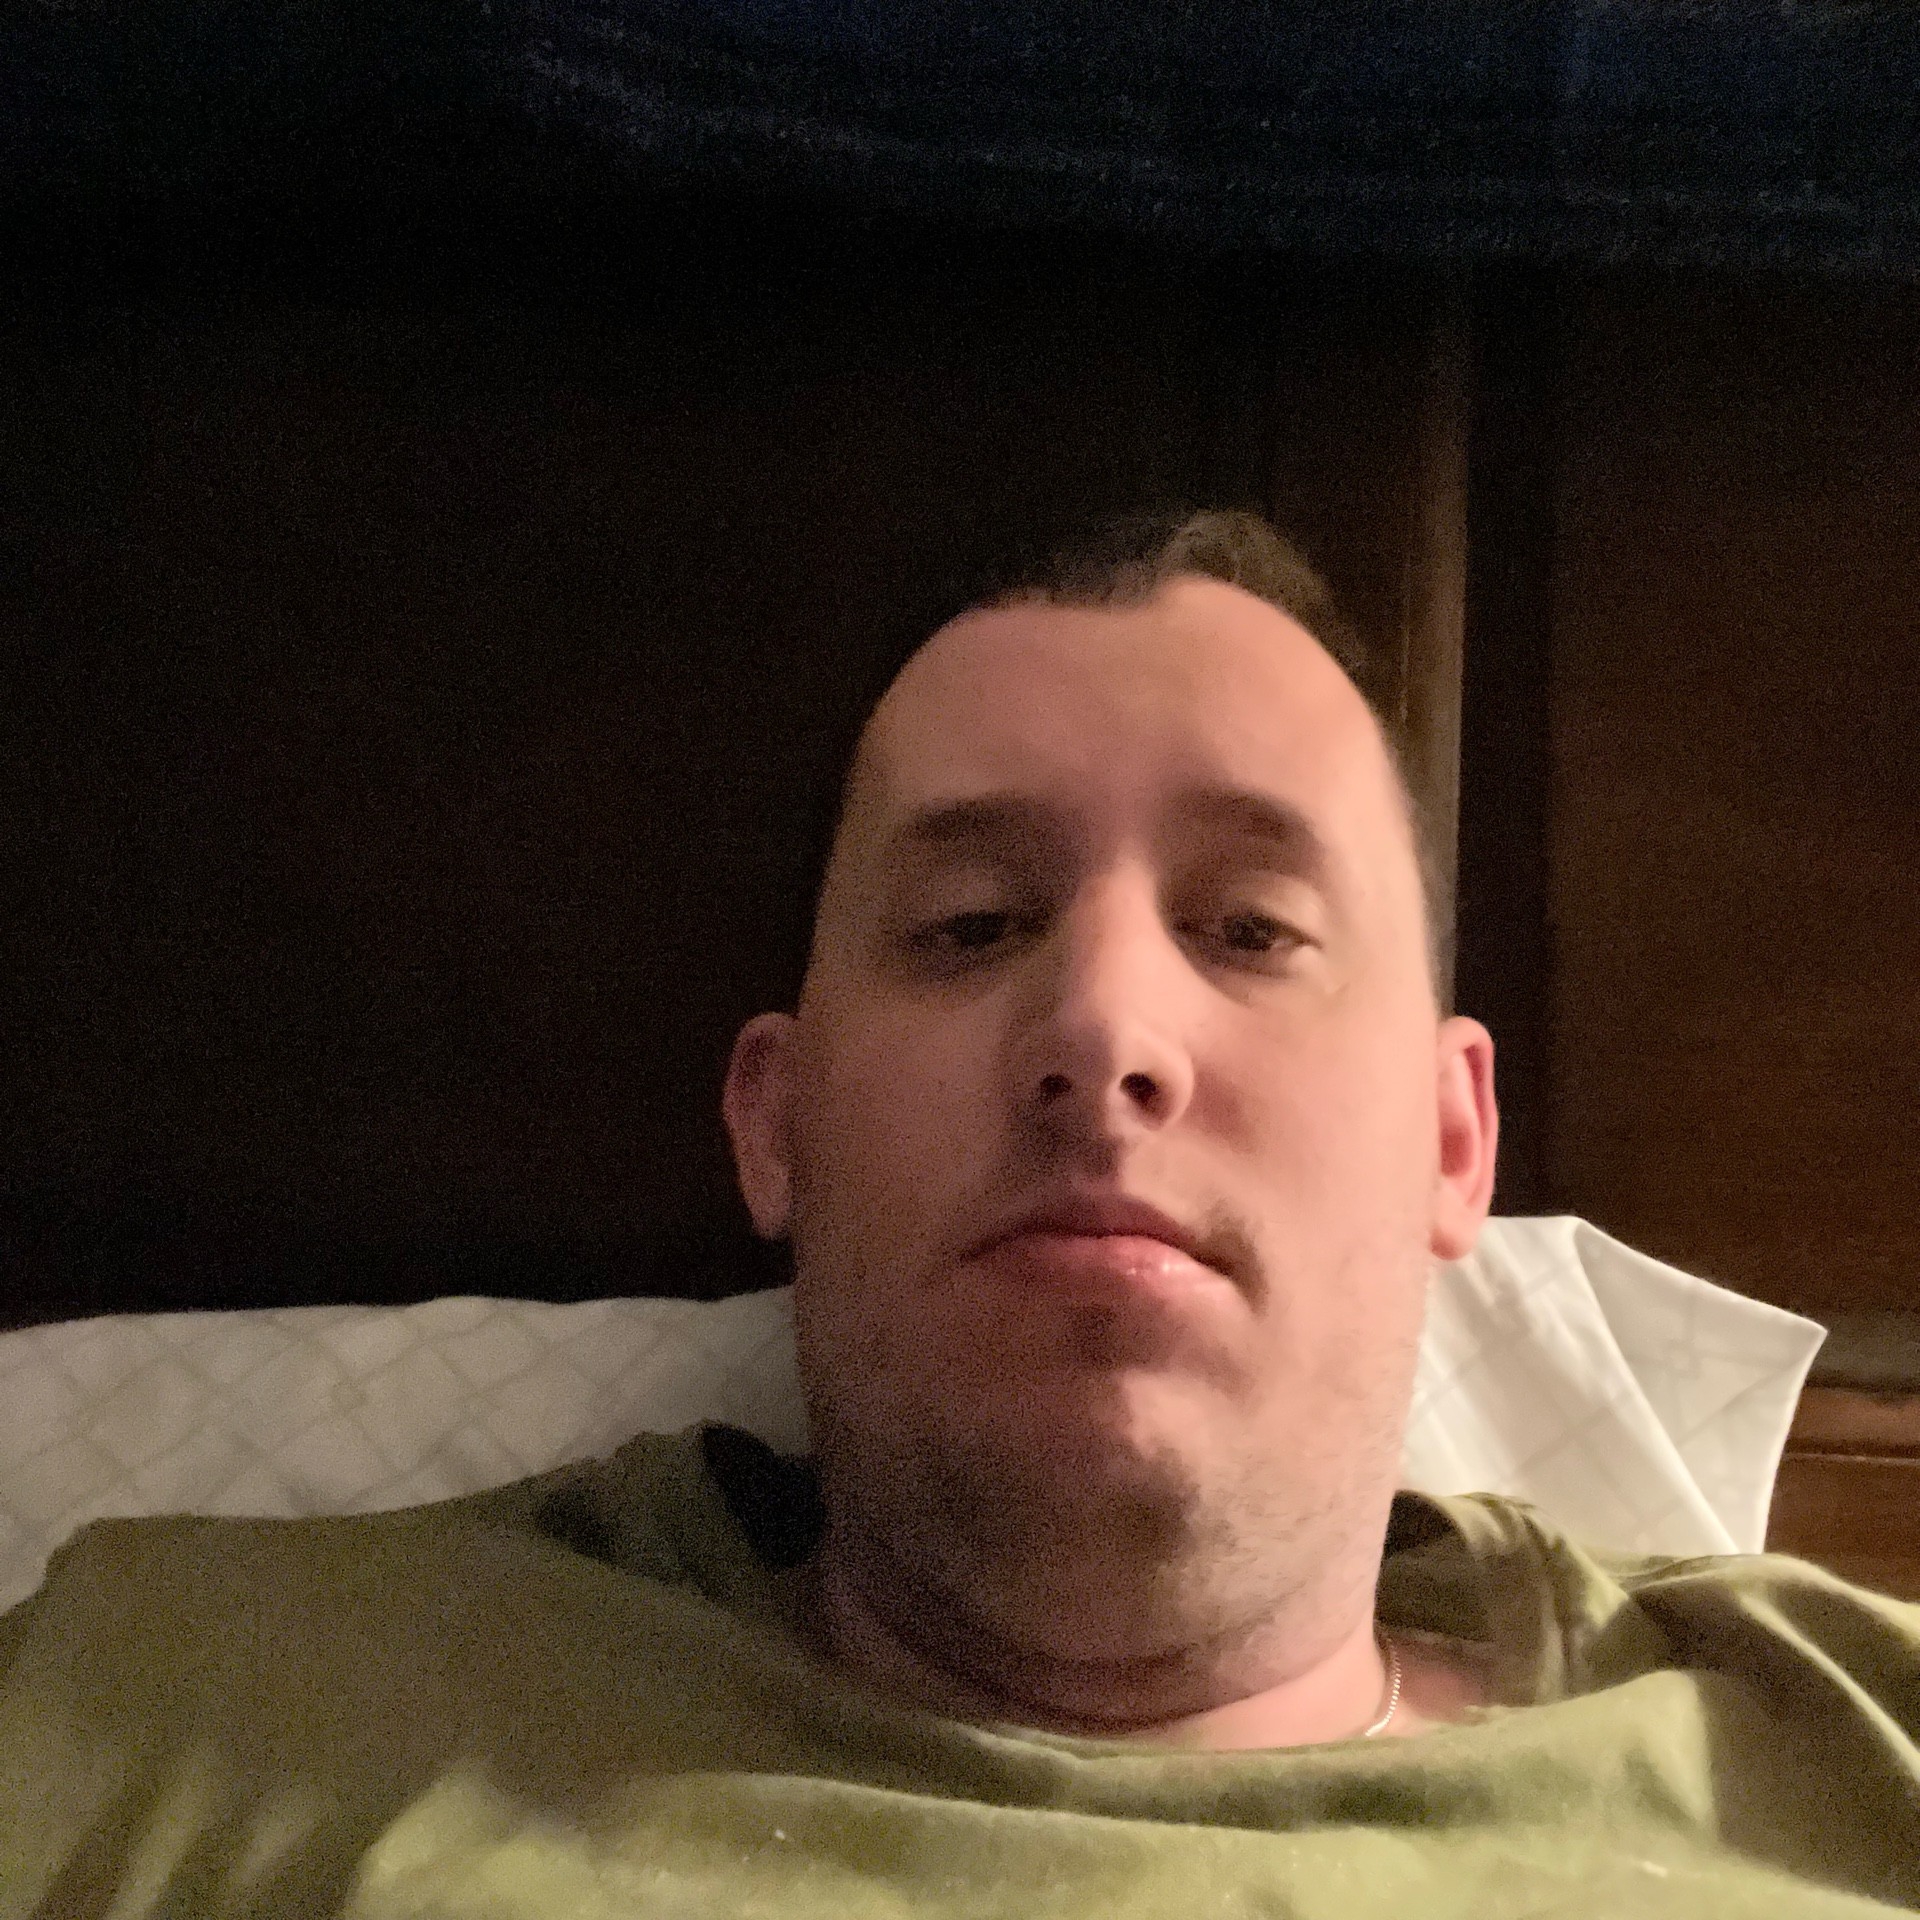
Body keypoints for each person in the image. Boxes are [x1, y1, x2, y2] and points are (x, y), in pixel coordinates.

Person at [2, 509, 1917, 1916]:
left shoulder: (1854, 1759)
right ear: (777, 1125)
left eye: (1252, 929)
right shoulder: (189, 1701)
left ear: (1450, 1138)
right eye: (970, 925)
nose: (1103, 1030)